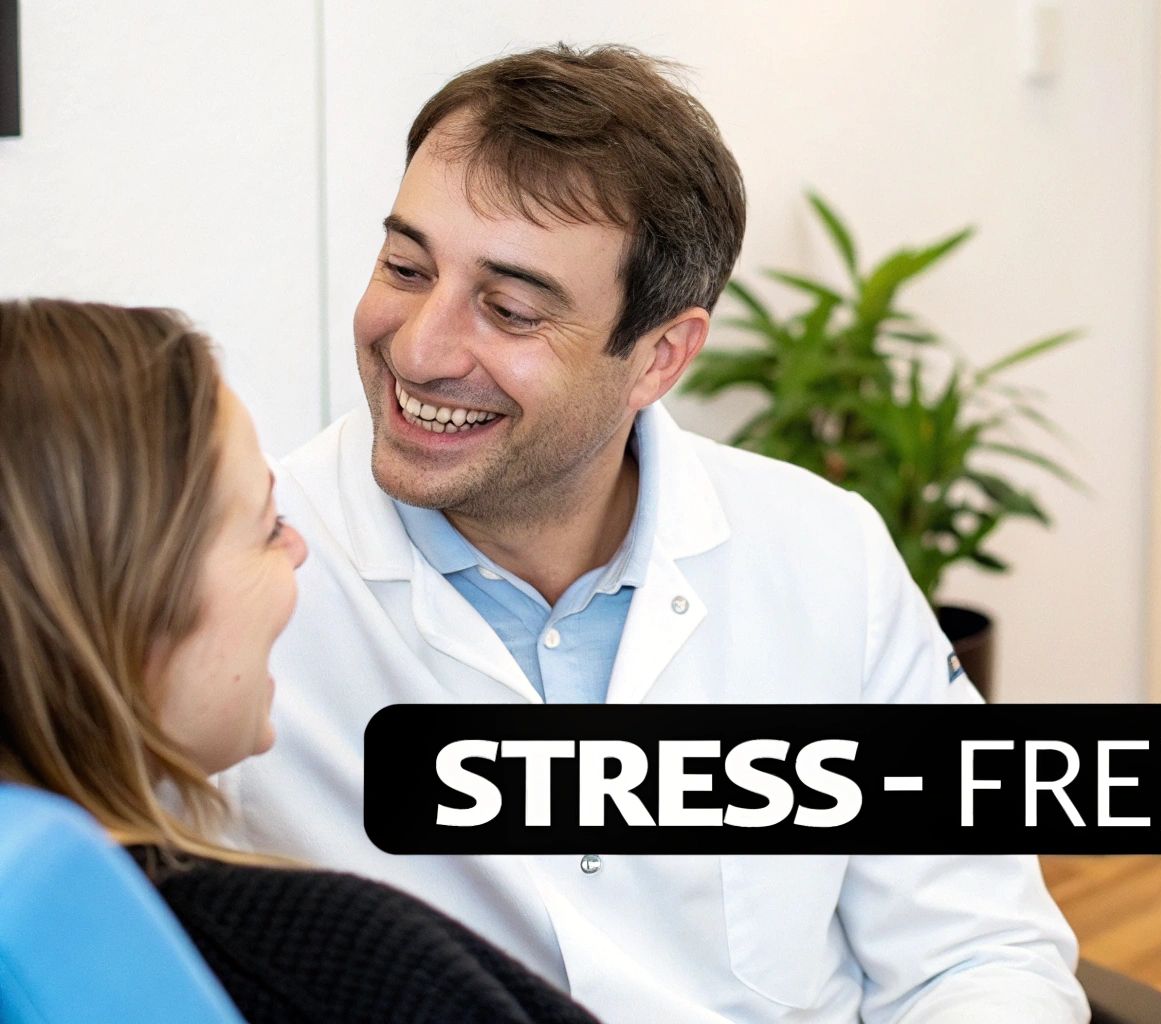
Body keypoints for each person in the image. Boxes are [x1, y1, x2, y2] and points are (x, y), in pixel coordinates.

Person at [222, 43, 1089, 1022]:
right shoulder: (237, 580)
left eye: (509, 309)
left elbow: (975, 949)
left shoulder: (821, 550)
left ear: (658, 356)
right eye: (404, 267)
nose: (419, 346)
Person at [0, 298, 601, 1024]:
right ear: (136, 595)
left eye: (511, 310)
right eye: (267, 527)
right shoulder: (333, 965)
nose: (298, 549)